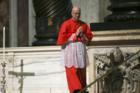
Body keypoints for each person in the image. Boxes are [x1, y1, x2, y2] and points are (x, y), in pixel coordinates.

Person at [57, 6, 93, 93]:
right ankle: (76, 90)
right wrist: (75, 34)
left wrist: (82, 35)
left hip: (80, 51)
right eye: (75, 13)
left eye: (79, 13)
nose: (77, 15)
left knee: (81, 71)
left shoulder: (84, 25)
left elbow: (88, 39)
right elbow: (61, 39)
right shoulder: (66, 24)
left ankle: (83, 89)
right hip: (70, 51)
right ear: (71, 13)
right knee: (72, 70)